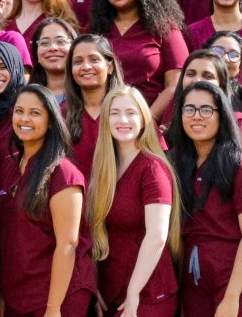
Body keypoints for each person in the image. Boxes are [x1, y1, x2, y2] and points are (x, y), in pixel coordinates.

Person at [0, 85, 97, 317]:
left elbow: (68, 245)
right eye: (19, 111)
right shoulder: (10, 167)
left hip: (59, 296)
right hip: (17, 294)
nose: (24, 119)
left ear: (51, 121)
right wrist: (3, 294)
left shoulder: (64, 174)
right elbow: (8, 237)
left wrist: (54, 307)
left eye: (35, 113)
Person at [168, 82, 242, 317]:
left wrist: (232, 296)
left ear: (221, 115)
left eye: (206, 110)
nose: (196, 117)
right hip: (194, 276)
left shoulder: (239, 165)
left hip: (235, 275)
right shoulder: (176, 164)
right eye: (189, 109)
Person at [87, 87, 179, 317]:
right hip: (112, 290)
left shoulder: (152, 168)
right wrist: (93, 283)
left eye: (131, 113)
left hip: (147, 294)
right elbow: (97, 232)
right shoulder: (105, 168)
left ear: (144, 119)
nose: (123, 120)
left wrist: (133, 294)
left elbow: (157, 237)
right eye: (115, 113)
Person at [89, 0, 190, 115]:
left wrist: (147, 122)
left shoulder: (164, 28)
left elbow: (176, 84)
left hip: (150, 122)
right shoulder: (94, 30)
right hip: (103, 121)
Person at [64, 35, 125, 173]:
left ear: (110, 67)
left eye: (94, 59)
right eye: (78, 62)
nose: (86, 67)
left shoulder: (131, 112)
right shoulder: (60, 114)